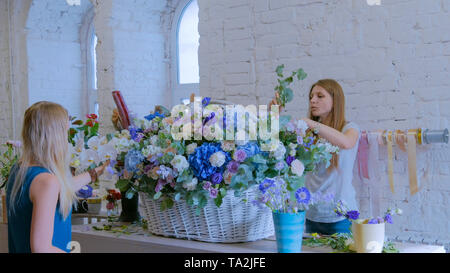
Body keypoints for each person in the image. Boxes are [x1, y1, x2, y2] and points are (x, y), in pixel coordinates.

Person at [6, 101, 108, 253]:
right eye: (65, 132)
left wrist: (98, 171)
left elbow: (62, 187)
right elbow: (42, 249)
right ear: (54, 136)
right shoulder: (46, 181)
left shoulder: (19, 170)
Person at [270, 79, 360, 235]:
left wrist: (311, 124)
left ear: (335, 100)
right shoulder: (306, 133)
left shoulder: (350, 128)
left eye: (320, 96)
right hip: (311, 215)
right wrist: (273, 117)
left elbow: (346, 143)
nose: (313, 100)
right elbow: (275, 147)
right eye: (311, 96)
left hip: (341, 216)